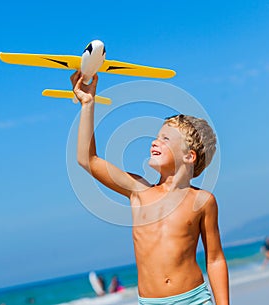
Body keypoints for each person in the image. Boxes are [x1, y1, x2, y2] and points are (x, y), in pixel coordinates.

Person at [70, 71, 229, 305]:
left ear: (189, 156)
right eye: (156, 136)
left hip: (195, 299)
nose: (155, 141)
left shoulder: (202, 201)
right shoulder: (138, 191)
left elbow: (214, 259)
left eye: (165, 138)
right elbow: (87, 159)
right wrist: (88, 103)